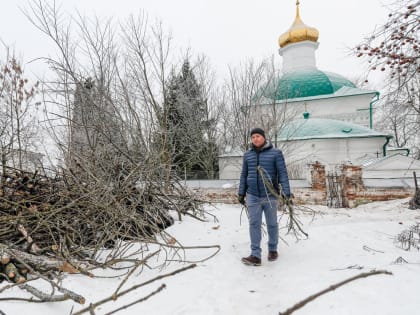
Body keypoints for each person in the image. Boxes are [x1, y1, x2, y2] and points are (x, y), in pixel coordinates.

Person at [238, 127, 291, 266]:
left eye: (258, 136)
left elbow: (283, 174)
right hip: (253, 195)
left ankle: (273, 249)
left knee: (272, 224)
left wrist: (286, 192)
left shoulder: (276, 153)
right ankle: (255, 255)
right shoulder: (247, 155)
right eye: (253, 137)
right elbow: (244, 175)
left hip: (270, 195)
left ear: (264, 137)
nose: (255, 139)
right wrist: (241, 192)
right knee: (254, 224)